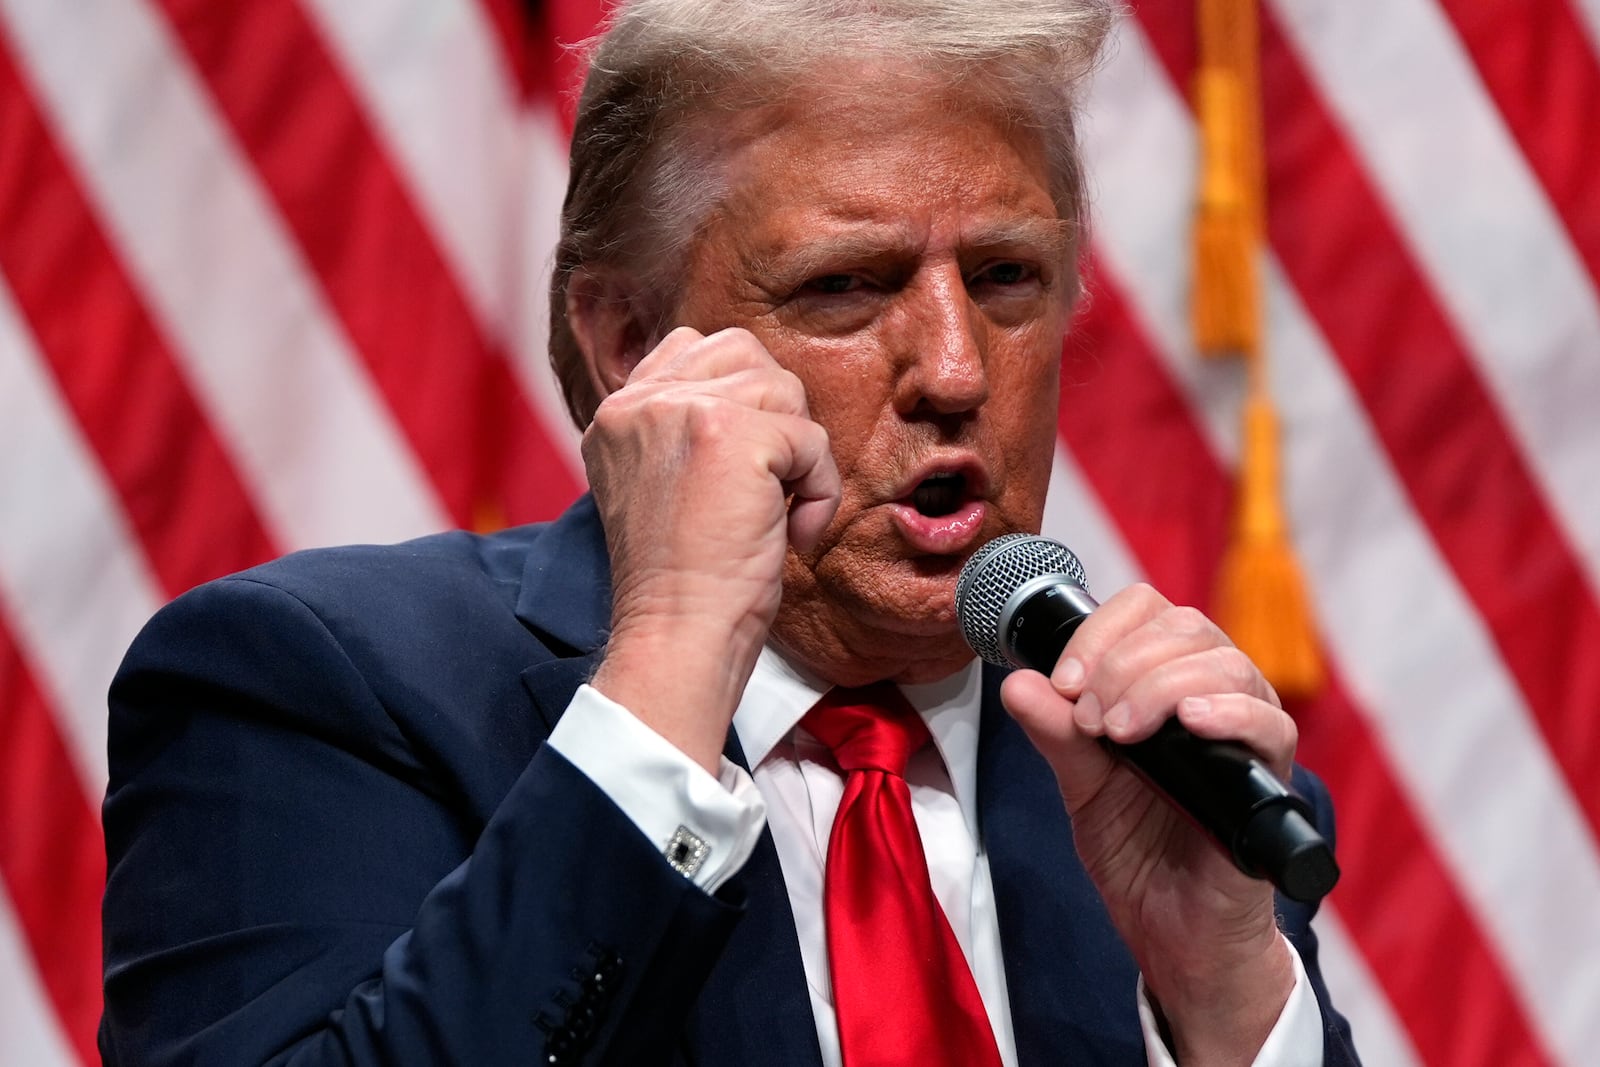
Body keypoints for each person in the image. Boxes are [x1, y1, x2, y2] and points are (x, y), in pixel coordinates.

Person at [100, 1, 1359, 1064]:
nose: (955, 367)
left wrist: (1226, 998)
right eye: (845, 285)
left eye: (1005, 278)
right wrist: (668, 661)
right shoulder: (318, 685)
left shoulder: (1168, 783)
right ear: (629, 347)